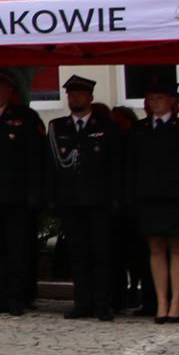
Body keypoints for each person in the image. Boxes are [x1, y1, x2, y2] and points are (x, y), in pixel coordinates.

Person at [0, 70, 48, 316]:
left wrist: (35, 194)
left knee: (17, 249)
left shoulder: (24, 118)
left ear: (9, 91)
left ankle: (18, 297)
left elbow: (35, 159)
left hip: (16, 196)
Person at [126, 81, 179, 324]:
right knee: (156, 249)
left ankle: (177, 302)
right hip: (149, 200)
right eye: (150, 97)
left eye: (159, 97)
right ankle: (161, 302)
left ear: (172, 101)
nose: (154, 102)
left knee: (178, 249)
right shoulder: (139, 130)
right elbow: (131, 168)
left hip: (177, 201)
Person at [48, 75, 122, 322]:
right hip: (71, 200)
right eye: (70, 94)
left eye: (79, 94)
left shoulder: (105, 127)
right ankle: (82, 301)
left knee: (101, 254)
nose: (74, 98)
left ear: (90, 97)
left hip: (98, 201)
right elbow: (53, 167)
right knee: (78, 254)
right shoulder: (58, 127)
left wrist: (114, 198)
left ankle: (103, 303)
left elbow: (114, 166)